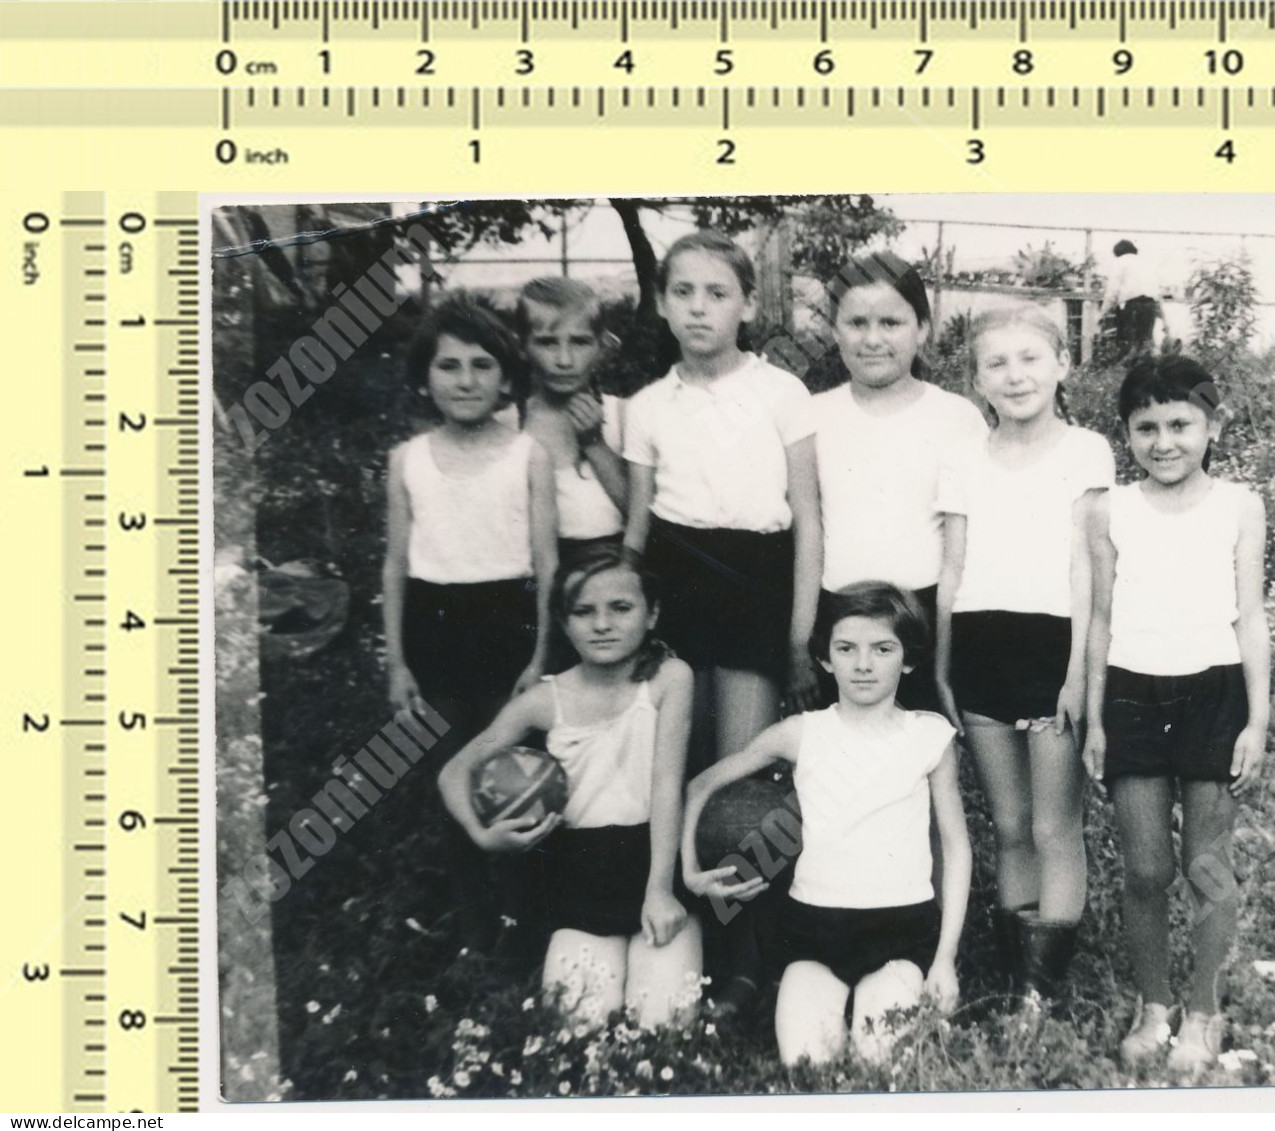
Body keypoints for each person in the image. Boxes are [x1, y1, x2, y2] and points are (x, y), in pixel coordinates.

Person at [681, 582, 971, 1066]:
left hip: (900, 931)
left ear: (909, 660)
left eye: (882, 649)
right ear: (824, 659)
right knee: (806, 1064)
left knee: (879, 1061)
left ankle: (892, 992)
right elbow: (699, 787)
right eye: (846, 648)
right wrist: (692, 874)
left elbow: (957, 849)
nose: (863, 664)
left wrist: (945, 959)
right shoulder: (801, 733)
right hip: (814, 932)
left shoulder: (930, 737)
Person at [1082, 355, 1268, 1077]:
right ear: (1126, 433)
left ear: (1212, 425)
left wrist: (1257, 718)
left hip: (1214, 690)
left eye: (1181, 424)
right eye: (1146, 427)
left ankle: (1203, 1006)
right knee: (1146, 866)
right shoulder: (1110, 509)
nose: (1165, 441)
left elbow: (1250, 615)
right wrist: (1097, 718)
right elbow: (1100, 616)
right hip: (1132, 689)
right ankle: (1153, 1002)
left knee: (1205, 863)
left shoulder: (1239, 505)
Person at [437, 545, 702, 1028]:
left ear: (652, 615)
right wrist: (483, 835)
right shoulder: (544, 700)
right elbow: (453, 771)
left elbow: (666, 784)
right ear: (563, 623)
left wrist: (660, 892)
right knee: (579, 1029)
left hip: (654, 868)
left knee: (663, 1027)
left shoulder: (668, 678)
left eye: (620, 607)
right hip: (578, 880)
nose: (602, 624)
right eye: (584, 611)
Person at [934, 303, 1115, 1000]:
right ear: (977, 379)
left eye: (1030, 358)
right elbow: (952, 568)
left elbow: (1084, 568)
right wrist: (947, 665)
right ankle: (1018, 978)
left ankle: (1046, 988)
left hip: (1052, 648)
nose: (1015, 376)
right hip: (981, 645)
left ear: (1063, 364)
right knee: (1009, 823)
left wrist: (1075, 674)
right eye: (996, 363)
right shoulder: (960, 458)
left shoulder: (1085, 450)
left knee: (1052, 823)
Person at [382, 291, 558, 951]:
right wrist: (398, 661)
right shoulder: (407, 459)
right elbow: (395, 562)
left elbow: (546, 561)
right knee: (450, 779)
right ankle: (476, 934)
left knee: (516, 779)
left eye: (482, 366)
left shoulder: (527, 454)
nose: (466, 381)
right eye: (449, 366)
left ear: (507, 376)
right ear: (425, 378)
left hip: (508, 630)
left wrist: (540, 657)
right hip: (434, 632)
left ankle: (525, 930)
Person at [624, 229, 823, 757]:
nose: (698, 309)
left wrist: (800, 639)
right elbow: (637, 529)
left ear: (749, 304)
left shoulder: (783, 393)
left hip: (755, 581)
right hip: (676, 579)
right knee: (678, 755)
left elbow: (808, 522)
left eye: (717, 293)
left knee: (741, 762)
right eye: (682, 292)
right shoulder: (646, 406)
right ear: (662, 303)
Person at [807, 252, 989, 714]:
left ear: (923, 328)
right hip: (840, 615)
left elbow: (969, 540)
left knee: (920, 759)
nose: (872, 339)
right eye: (856, 323)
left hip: (925, 616)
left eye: (891, 323)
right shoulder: (813, 415)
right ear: (834, 329)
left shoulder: (957, 418)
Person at [516, 277, 629, 568]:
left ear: (601, 346)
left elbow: (644, 516)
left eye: (579, 342)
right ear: (522, 347)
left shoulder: (623, 415)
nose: (564, 360)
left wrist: (595, 443)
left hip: (611, 576)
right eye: (547, 342)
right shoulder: (509, 424)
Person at [1099, 240, 1166, 359]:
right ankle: (1146, 366)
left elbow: (1112, 291)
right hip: (1150, 303)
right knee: (1145, 340)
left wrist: (1103, 312)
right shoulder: (1145, 263)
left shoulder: (1120, 262)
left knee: (1129, 342)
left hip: (1132, 305)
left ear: (1117, 253)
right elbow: (1156, 289)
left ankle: (1127, 368)